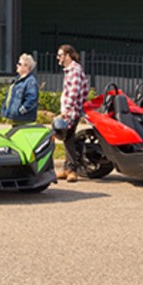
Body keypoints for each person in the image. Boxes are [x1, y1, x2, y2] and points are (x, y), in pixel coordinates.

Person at [56, 44, 90, 183]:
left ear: (67, 56)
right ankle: (67, 168)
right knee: (67, 139)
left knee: (68, 138)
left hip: (71, 112)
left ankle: (72, 170)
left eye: (60, 55)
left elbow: (74, 93)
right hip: (71, 110)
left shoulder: (75, 70)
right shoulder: (70, 70)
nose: (58, 58)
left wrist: (66, 111)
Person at [2, 53, 39, 125]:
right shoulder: (16, 80)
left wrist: (21, 111)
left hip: (24, 120)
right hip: (17, 118)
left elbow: (32, 99)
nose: (17, 65)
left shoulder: (30, 81)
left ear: (26, 66)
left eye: (19, 64)